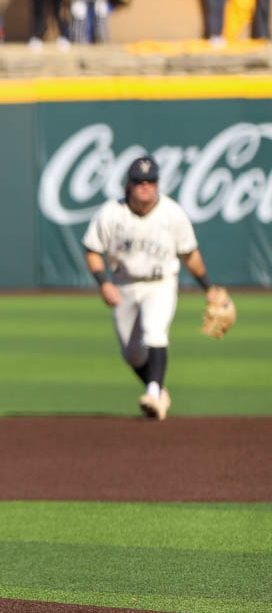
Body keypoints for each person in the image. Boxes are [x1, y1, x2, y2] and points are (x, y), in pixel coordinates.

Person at [82, 155, 217, 421]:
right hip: (124, 284)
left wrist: (208, 288)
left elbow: (190, 255)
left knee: (155, 332)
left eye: (151, 181)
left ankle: (153, 393)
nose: (146, 186)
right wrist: (104, 283)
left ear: (158, 184)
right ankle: (157, 389)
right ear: (128, 185)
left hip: (161, 283)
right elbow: (92, 251)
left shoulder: (172, 213)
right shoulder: (111, 213)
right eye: (140, 181)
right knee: (132, 355)